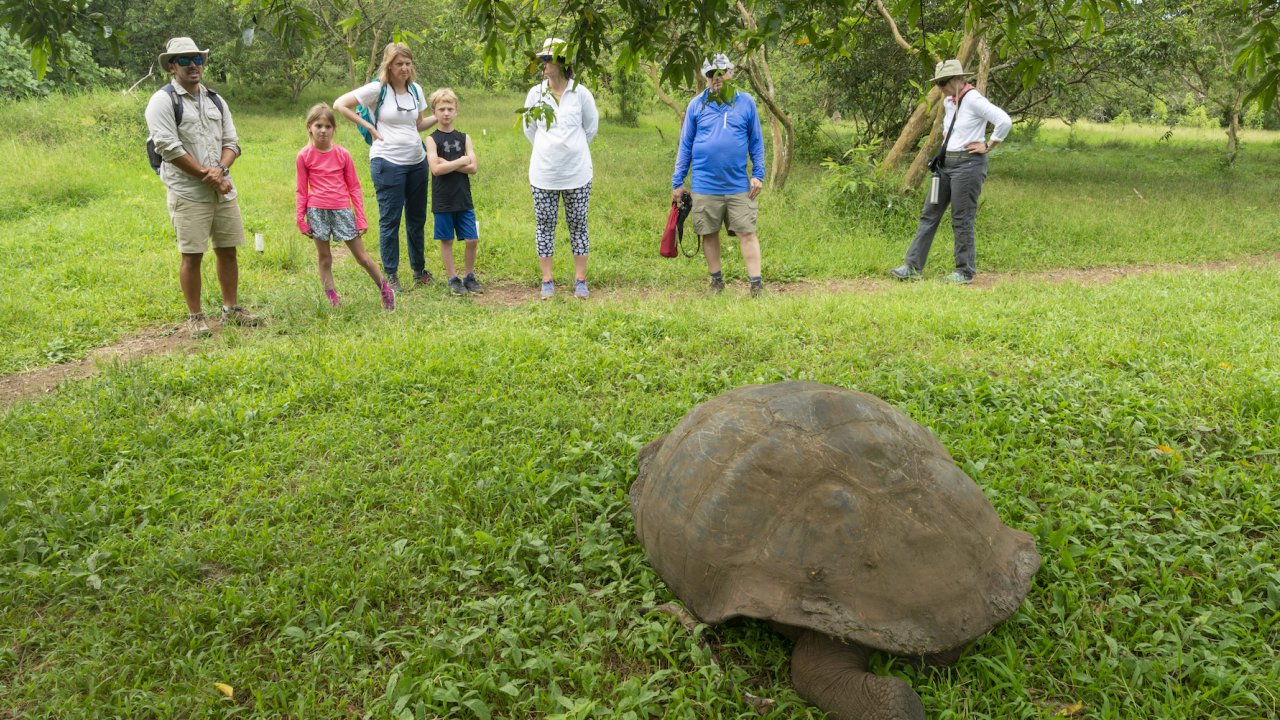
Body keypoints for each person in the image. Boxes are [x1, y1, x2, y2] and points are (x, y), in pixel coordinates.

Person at [145, 36, 260, 338]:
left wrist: (220, 170)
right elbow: (167, 147)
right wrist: (206, 175)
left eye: (197, 58)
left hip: (222, 187)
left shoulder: (215, 99)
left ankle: (231, 309)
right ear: (172, 66)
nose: (193, 64)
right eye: (184, 60)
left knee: (228, 250)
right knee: (192, 254)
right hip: (188, 191)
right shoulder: (162, 101)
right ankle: (196, 316)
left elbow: (232, 142)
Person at [890, 59, 1011, 284]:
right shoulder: (949, 101)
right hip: (946, 165)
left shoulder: (973, 99)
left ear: (958, 79)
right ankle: (912, 266)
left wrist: (988, 145)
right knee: (929, 213)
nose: (941, 87)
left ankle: (964, 271)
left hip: (968, 165)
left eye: (944, 82)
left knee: (961, 217)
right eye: (938, 83)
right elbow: (949, 130)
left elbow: (1004, 120)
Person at [335, 42, 437, 292]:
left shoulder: (416, 90)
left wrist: (443, 117)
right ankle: (391, 274)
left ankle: (418, 270)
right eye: (399, 64)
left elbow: (418, 125)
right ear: (389, 65)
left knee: (417, 218)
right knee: (390, 219)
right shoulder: (376, 89)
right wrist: (369, 126)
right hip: (387, 162)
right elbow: (339, 104)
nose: (404, 68)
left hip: (417, 161)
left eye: (408, 63)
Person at [671, 54, 767, 298]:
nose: (717, 78)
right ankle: (716, 283)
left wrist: (758, 174)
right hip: (705, 183)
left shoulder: (746, 102)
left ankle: (756, 286)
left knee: (747, 232)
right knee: (709, 232)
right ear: (706, 78)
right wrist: (678, 181)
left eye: (722, 72)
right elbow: (686, 144)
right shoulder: (696, 105)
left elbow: (756, 141)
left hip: (738, 184)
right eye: (712, 74)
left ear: (731, 73)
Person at [296, 103, 396, 311]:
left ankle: (385, 289)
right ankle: (333, 300)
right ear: (309, 128)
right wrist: (301, 219)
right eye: (318, 126)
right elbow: (301, 190)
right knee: (325, 258)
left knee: (361, 256)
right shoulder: (304, 156)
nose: (323, 130)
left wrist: (360, 217)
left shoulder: (343, 154)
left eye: (327, 126)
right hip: (317, 212)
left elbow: (355, 188)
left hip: (342, 210)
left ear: (334, 129)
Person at [522, 37, 599, 300]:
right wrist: (550, 150)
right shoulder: (535, 94)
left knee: (579, 224)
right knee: (544, 226)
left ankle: (580, 280)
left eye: (547, 59)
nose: (542, 64)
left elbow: (590, 128)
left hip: (577, 173)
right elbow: (529, 130)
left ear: (561, 62)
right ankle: (547, 280)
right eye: (542, 58)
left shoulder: (581, 93)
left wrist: (572, 149)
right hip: (543, 174)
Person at [425, 88, 483, 296]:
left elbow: (473, 168)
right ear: (434, 112)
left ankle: (469, 276)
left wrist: (447, 162)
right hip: (443, 199)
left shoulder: (464, 137)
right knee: (447, 239)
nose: (446, 113)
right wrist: (461, 161)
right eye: (442, 109)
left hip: (463, 197)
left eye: (450, 108)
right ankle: (452, 278)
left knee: (472, 239)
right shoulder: (432, 139)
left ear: (456, 110)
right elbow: (436, 169)